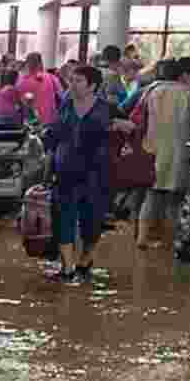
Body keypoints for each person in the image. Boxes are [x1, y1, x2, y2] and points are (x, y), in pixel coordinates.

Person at [42, 64, 131, 283]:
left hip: (96, 173)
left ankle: (85, 260)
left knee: (92, 221)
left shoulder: (107, 107)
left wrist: (119, 126)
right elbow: (53, 134)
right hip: (65, 171)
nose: (72, 84)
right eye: (71, 80)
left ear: (93, 85)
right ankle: (67, 268)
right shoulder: (65, 105)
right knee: (63, 218)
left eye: (78, 81)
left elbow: (131, 127)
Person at [136, 56, 190, 249]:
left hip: (153, 149)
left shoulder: (151, 91)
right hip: (180, 152)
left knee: (152, 194)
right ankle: (171, 239)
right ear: (181, 74)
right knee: (175, 200)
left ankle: (142, 237)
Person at [17, 52, 63, 127]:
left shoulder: (21, 81)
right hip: (50, 120)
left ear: (27, 64)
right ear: (40, 63)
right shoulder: (52, 78)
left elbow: (19, 102)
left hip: (31, 122)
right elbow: (61, 96)